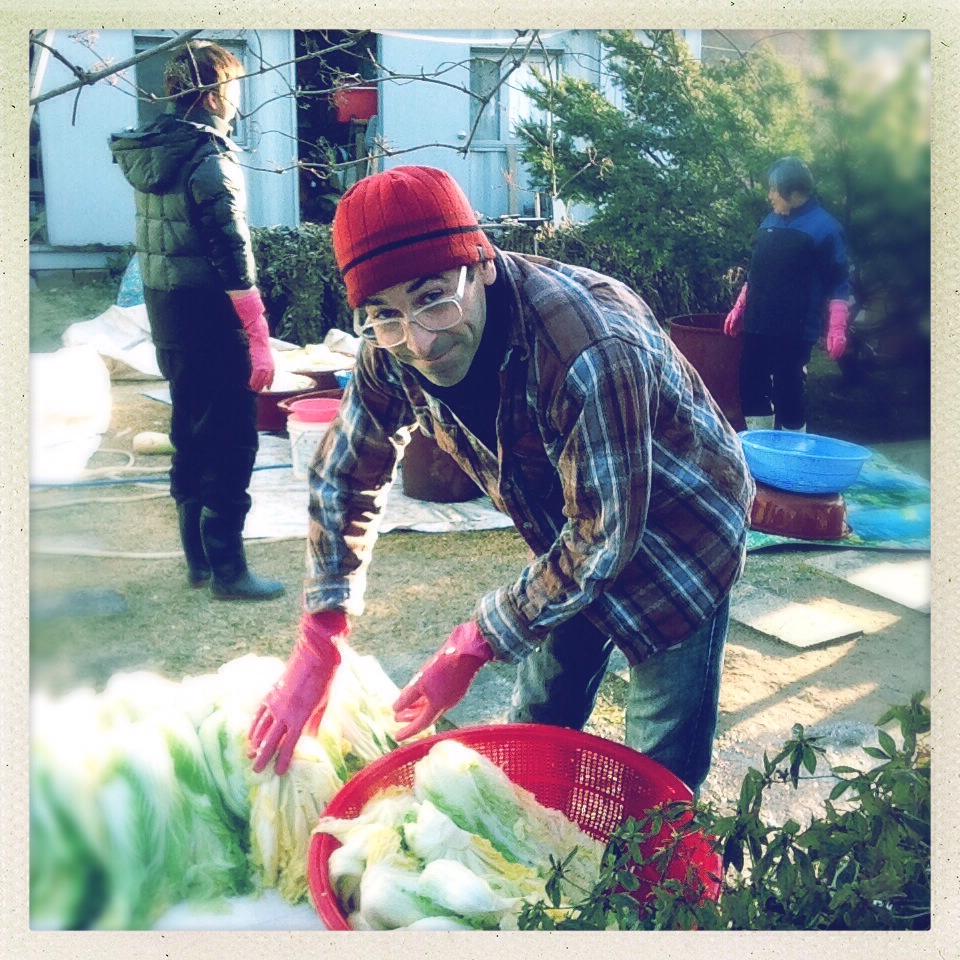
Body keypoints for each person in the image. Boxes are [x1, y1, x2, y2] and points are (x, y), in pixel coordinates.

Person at [248, 165, 755, 792]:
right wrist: (322, 631)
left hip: (682, 531)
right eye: (384, 314)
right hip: (570, 528)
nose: (421, 343)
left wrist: (475, 643)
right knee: (539, 713)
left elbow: (603, 535)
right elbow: (344, 474)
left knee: (659, 764)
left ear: (482, 262)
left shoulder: (590, 351)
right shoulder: (391, 344)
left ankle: (655, 848)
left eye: (434, 298)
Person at [109, 41, 284, 601]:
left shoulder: (154, 150)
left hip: (168, 313)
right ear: (213, 94)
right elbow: (231, 254)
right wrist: (258, 335)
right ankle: (229, 572)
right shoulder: (210, 157)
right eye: (234, 88)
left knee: (190, 429)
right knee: (233, 440)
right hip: (212, 314)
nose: (237, 100)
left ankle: (199, 563)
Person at [723, 156, 851, 433]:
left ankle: (794, 450)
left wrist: (837, 326)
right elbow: (757, 270)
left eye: (774, 189)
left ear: (794, 193)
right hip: (758, 323)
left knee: (788, 390)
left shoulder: (825, 229)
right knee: (751, 383)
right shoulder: (769, 222)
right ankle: (760, 445)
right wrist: (741, 307)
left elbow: (839, 281)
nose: (770, 196)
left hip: (795, 329)